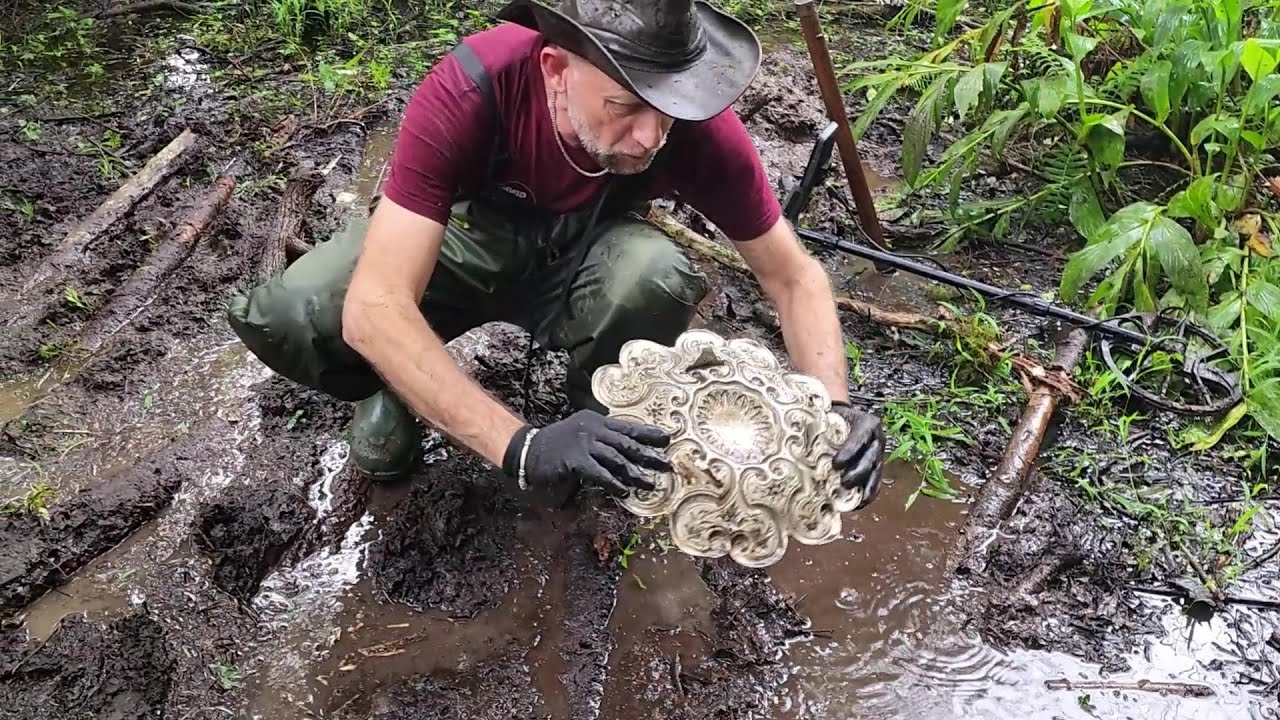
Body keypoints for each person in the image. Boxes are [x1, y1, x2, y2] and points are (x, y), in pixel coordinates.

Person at [226, 0, 886, 507]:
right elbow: (376, 305)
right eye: (624, 106)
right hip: (464, 235)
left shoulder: (695, 127)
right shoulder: (475, 85)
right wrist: (521, 448)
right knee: (300, 311)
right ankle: (396, 387)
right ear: (556, 69)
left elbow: (794, 277)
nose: (651, 136)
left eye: (667, 111)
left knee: (654, 275)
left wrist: (831, 406)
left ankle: (599, 417)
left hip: (586, 248)